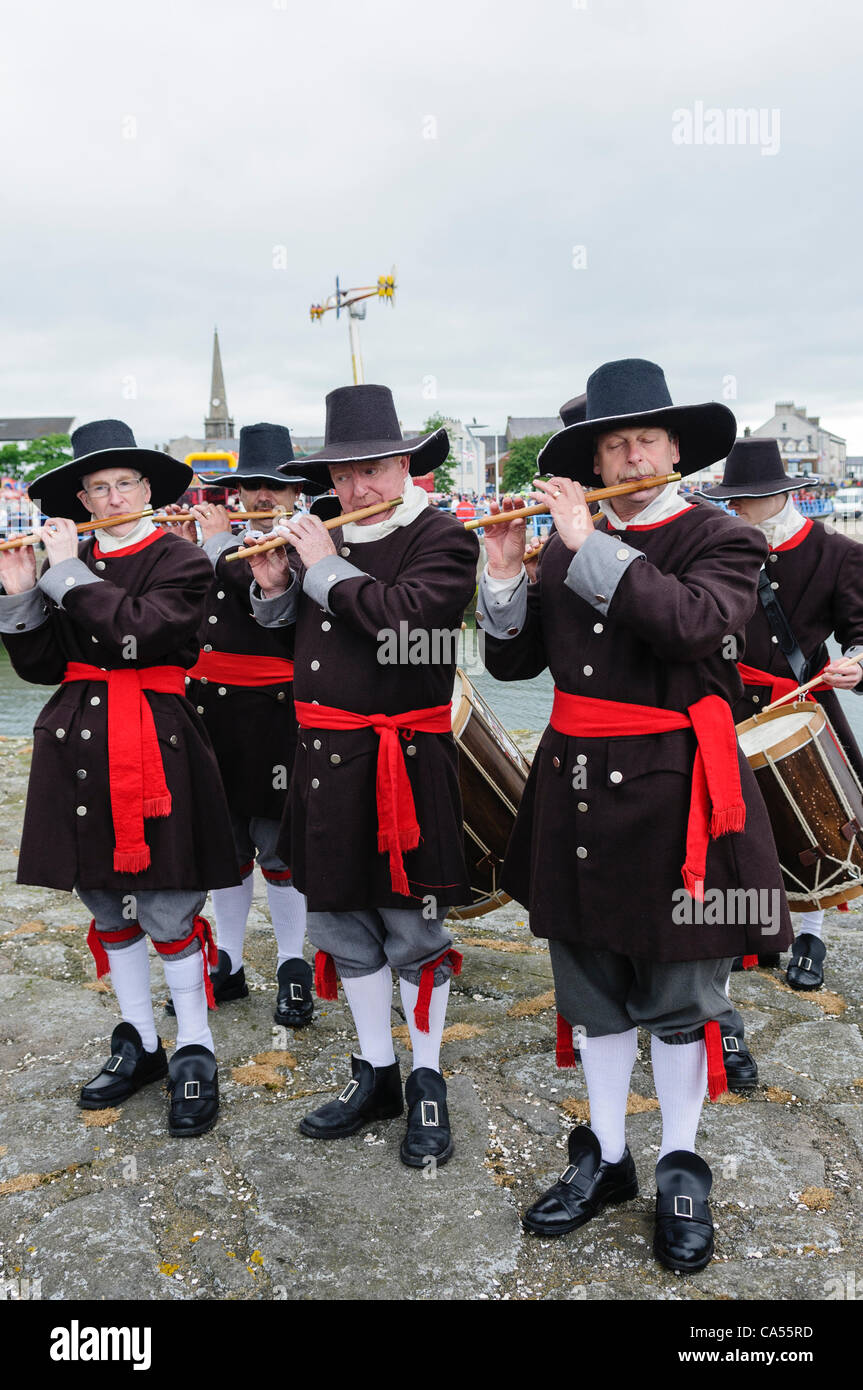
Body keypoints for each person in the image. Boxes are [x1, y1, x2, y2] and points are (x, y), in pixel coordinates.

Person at [477, 359, 791, 1272]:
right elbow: (511, 666)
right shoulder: (564, 544)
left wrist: (586, 540)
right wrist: (504, 579)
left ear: (674, 448)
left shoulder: (723, 539)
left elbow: (695, 626)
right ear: (596, 458)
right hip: (574, 782)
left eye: (643, 439)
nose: (628, 454)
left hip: (675, 788)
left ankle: (680, 1163)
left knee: (681, 997)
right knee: (591, 991)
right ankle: (607, 1156)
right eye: (612, 444)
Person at [247, 384, 479, 1167]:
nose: (355, 489)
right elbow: (302, 649)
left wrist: (318, 568)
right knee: (341, 921)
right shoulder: (324, 541)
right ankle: (376, 1070)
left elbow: (402, 626)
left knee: (412, 930)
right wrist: (276, 590)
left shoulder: (444, 538)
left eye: (372, 469)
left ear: (405, 464)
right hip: (322, 763)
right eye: (341, 475)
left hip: (403, 763)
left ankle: (426, 1078)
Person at [0, 419, 239, 1137]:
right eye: (96, 488)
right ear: (82, 496)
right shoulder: (58, 561)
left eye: (123, 484)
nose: (110, 498)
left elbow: (144, 630)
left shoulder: (183, 557)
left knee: (167, 904)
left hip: (157, 737)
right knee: (104, 901)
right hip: (77, 738)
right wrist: (19, 595)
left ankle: (194, 1047)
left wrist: (66, 574)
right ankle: (139, 1039)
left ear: (147, 489)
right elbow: (42, 665)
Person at [164, 423, 323, 1026]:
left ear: (294, 493)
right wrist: (178, 549)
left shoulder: (311, 543)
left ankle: (291, 964)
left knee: (278, 853)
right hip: (209, 713)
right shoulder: (214, 542)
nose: (261, 496)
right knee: (225, 848)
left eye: (274, 486)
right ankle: (227, 960)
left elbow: (260, 592)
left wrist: (208, 545)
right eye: (250, 486)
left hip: (278, 716)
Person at [701, 438, 863, 992]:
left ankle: (811, 933)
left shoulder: (836, 552)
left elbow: (860, 636)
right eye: (731, 497)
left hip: (800, 703)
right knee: (738, 824)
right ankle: (757, 928)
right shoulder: (720, 545)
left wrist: (857, 665)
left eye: (744, 497)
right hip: (726, 703)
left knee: (811, 822)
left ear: (780, 494)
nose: (735, 507)